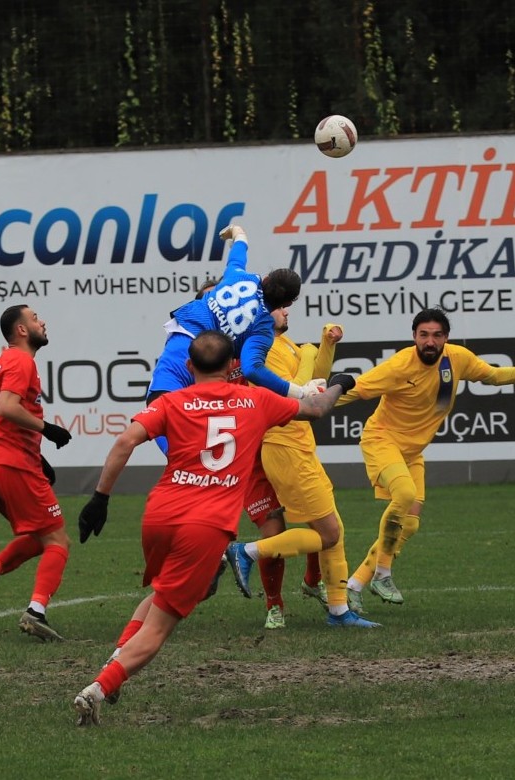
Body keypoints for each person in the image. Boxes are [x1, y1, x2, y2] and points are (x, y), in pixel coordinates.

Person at [70, 329, 354, 726]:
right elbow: (317, 408)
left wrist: (100, 498)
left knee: (164, 593)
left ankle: (115, 666)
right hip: (205, 525)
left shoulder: (171, 400)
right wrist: (342, 382)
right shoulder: (255, 399)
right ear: (232, 366)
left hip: (160, 515)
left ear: (189, 367)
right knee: (161, 625)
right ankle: (98, 688)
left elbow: (124, 442)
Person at [339, 308, 515, 613]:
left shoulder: (457, 359)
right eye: (424, 335)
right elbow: (354, 390)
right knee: (404, 495)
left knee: (410, 525)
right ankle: (383, 574)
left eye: (437, 335)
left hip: (412, 452)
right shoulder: (400, 365)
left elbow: (493, 376)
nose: (430, 341)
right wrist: (301, 405)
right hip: (381, 440)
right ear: (414, 336)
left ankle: (354, 585)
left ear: (446, 338)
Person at [223, 309, 380, 629]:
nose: (286, 310)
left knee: (333, 528)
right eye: (280, 306)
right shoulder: (260, 348)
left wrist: (324, 345)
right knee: (329, 532)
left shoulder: (288, 345)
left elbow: (312, 379)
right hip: (283, 447)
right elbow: (291, 393)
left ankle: (337, 610)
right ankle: (247, 553)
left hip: (300, 446)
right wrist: (309, 355)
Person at [144, 223, 310, 453]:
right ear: (288, 303)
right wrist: (298, 392)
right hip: (214, 369)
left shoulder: (241, 278)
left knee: (158, 405)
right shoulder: (263, 329)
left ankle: (182, 464)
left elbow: (237, 254)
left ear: (266, 278)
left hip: (187, 340)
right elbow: (253, 368)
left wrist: (238, 232)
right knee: (203, 424)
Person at [0, 304, 75, 642]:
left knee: (40, 537)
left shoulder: (3, 361)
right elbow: (8, 408)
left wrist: (37, 455)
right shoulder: (21, 360)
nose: (43, 321)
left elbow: (2, 415)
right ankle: (35, 612)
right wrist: (49, 429)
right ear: (22, 330)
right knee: (58, 541)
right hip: (11, 464)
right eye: (36, 318)